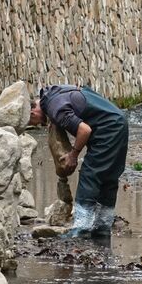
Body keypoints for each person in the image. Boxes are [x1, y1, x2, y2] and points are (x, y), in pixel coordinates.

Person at [30, 85, 130, 240]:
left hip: (107, 130)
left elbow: (84, 130)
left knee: (90, 174)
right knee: (109, 177)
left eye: (32, 121)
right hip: (120, 121)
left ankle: (81, 229)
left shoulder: (54, 106)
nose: (37, 125)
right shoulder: (56, 93)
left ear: (32, 111)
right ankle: (102, 227)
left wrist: (73, 154)